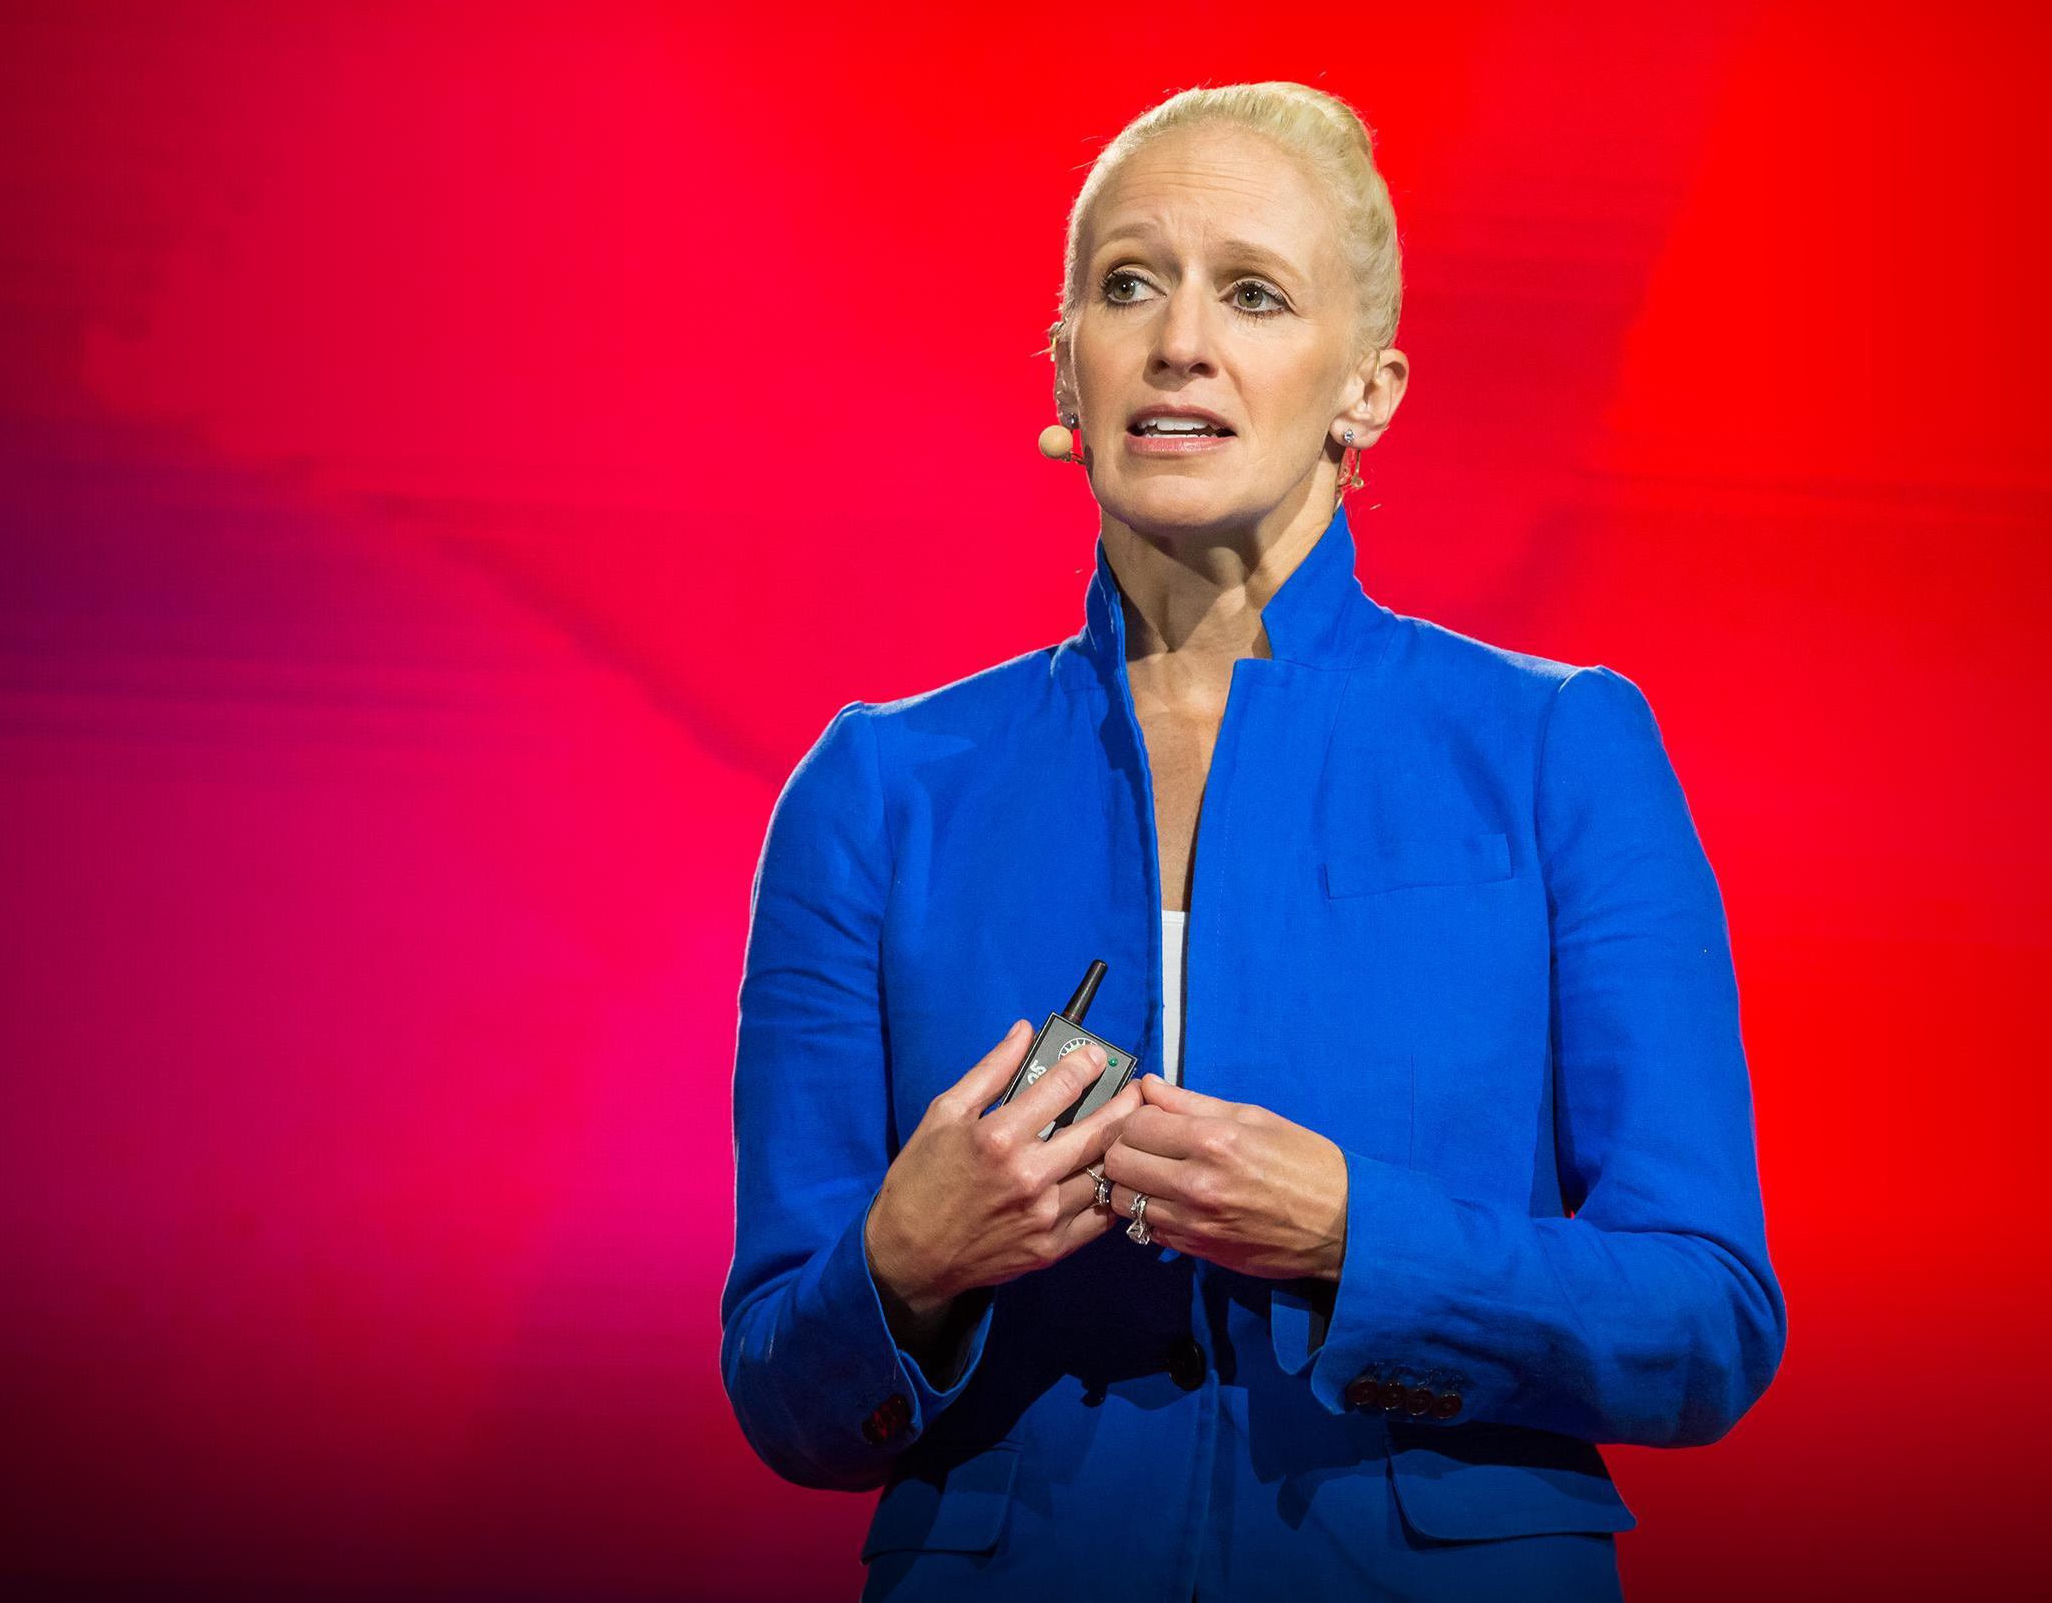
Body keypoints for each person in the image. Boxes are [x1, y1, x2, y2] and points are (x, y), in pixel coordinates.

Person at [720, 80, 1784, 1600]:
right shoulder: (880, 788)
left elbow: (1705, 1319)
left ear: (1369, 391)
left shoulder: (1558, 749)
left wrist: (1355, 1235)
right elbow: (784, 1391)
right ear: (1066, 367)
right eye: (1127, 285)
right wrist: (906, 1265)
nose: (1179, 341)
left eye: (1255, 294)